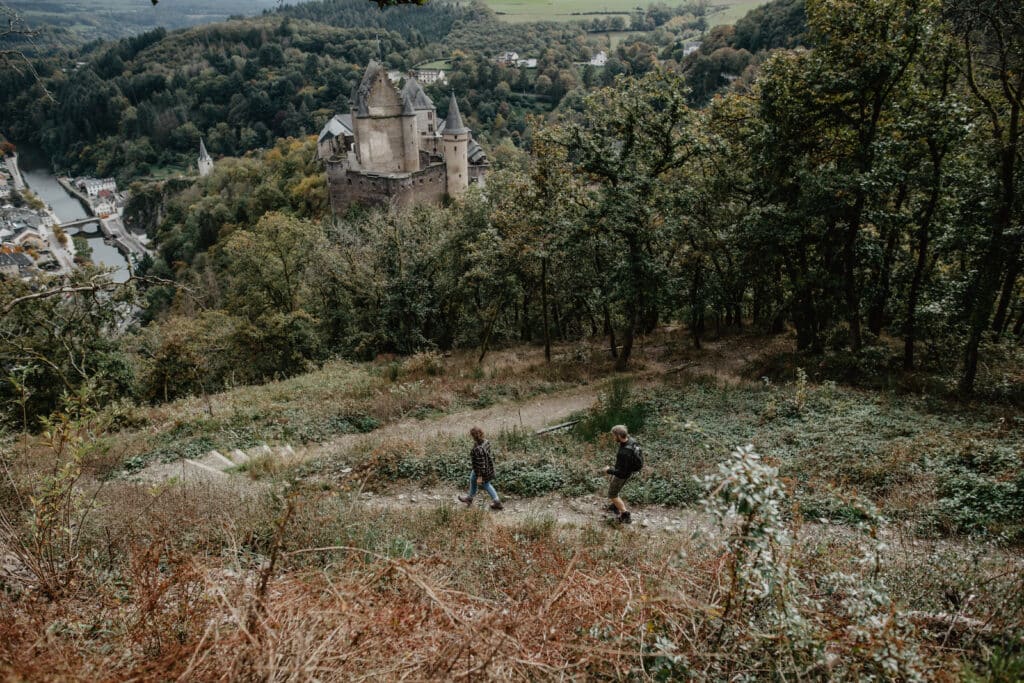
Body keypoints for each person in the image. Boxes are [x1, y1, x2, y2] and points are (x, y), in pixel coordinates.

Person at [458, 426, 504, 510]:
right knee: (472, 479)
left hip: (482, 471)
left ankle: (497, 502)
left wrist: (479, 476)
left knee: (486, 484)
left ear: (473, 436)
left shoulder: (477, 449)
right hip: (487, 467)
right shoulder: (486, 442)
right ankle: (469, 498)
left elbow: (481, 464)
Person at [604, 424, 637, 524]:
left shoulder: (624, 453)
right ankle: (615, 505)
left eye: (614, 435)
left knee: (612, 494)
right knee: (616, 490)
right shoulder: (631, 441)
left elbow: (621, 472)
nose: (613, 438)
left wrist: (609, 470)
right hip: (627, 472)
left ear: (619, 435)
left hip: (621, 476)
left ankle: (625, 515)